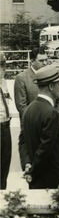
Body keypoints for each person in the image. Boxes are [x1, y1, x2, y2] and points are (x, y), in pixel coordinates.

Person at [15, 47, 59, 172]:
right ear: (32, 61)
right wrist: (36, 119)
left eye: (46, 60)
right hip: (32, 125)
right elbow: (21, 105)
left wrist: (54, 118)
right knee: (37, 155)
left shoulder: (52, 76)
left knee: (51, 156)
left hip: (51, 122)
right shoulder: (22, 78)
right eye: (41, 60)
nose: (45, 63)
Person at [22, 66, 59, 189]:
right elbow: (45, 149)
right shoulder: (51, 113)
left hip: (35, 179)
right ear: (51, 86)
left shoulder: (28, 109)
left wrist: (27, 164)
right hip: (51, 179)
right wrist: (32, 172)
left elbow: (23, 140)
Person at [0, 54, 11, 189]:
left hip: (6, 126)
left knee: (5, 164)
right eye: (0, 66)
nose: (3, 69)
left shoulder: (3, 82)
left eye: (4, 66)